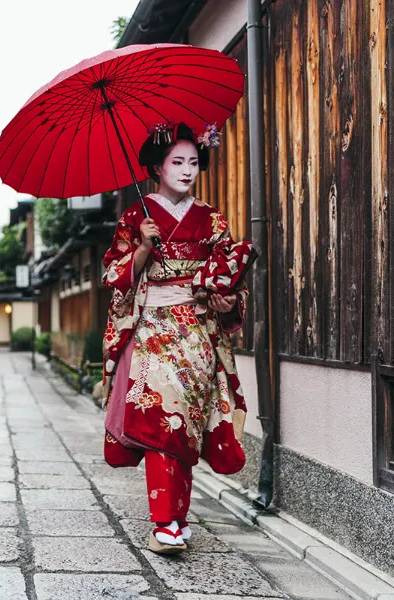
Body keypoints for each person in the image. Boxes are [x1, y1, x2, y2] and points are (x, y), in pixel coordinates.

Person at [101, 122, 249, 555]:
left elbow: (228, 274)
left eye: (192, 162)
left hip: (196, 329)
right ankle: (164, 522)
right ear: (156, 168)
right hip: (153, 329)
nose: (187, 171)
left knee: (185, 423)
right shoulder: (136, 216)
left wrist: (226, 300)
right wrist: (143, 248)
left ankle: (177, 519)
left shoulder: (211, 217)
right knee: (162, 419)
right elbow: (113, 275)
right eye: (176, 163)